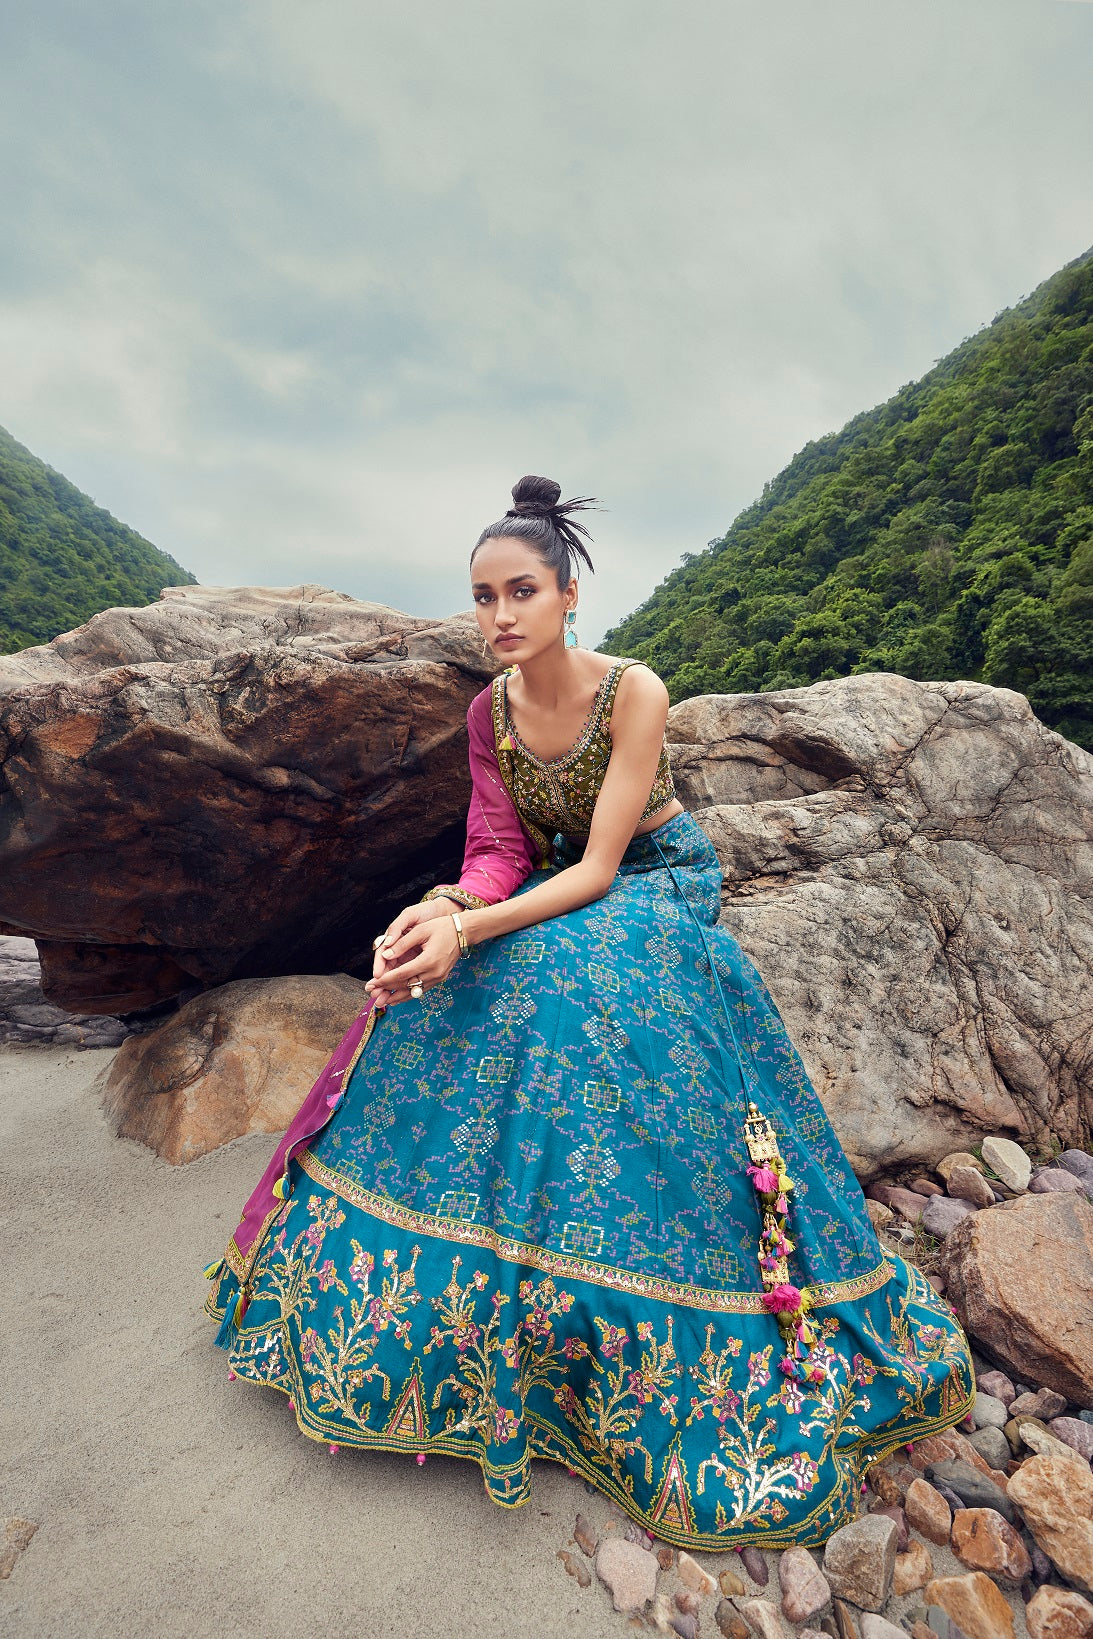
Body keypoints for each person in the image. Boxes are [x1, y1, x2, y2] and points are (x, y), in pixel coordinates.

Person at [203, 474, 974, 1550]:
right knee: (427, 991)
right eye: (481, 596)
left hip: (650, 884)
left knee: (553, 989)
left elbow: (605, 862)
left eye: (521, 591)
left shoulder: (634, 692)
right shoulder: (489, 712)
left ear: (569, 594)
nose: (500, 615)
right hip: (545, 884)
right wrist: (439, 912)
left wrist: (480, 927)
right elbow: (498, 851)